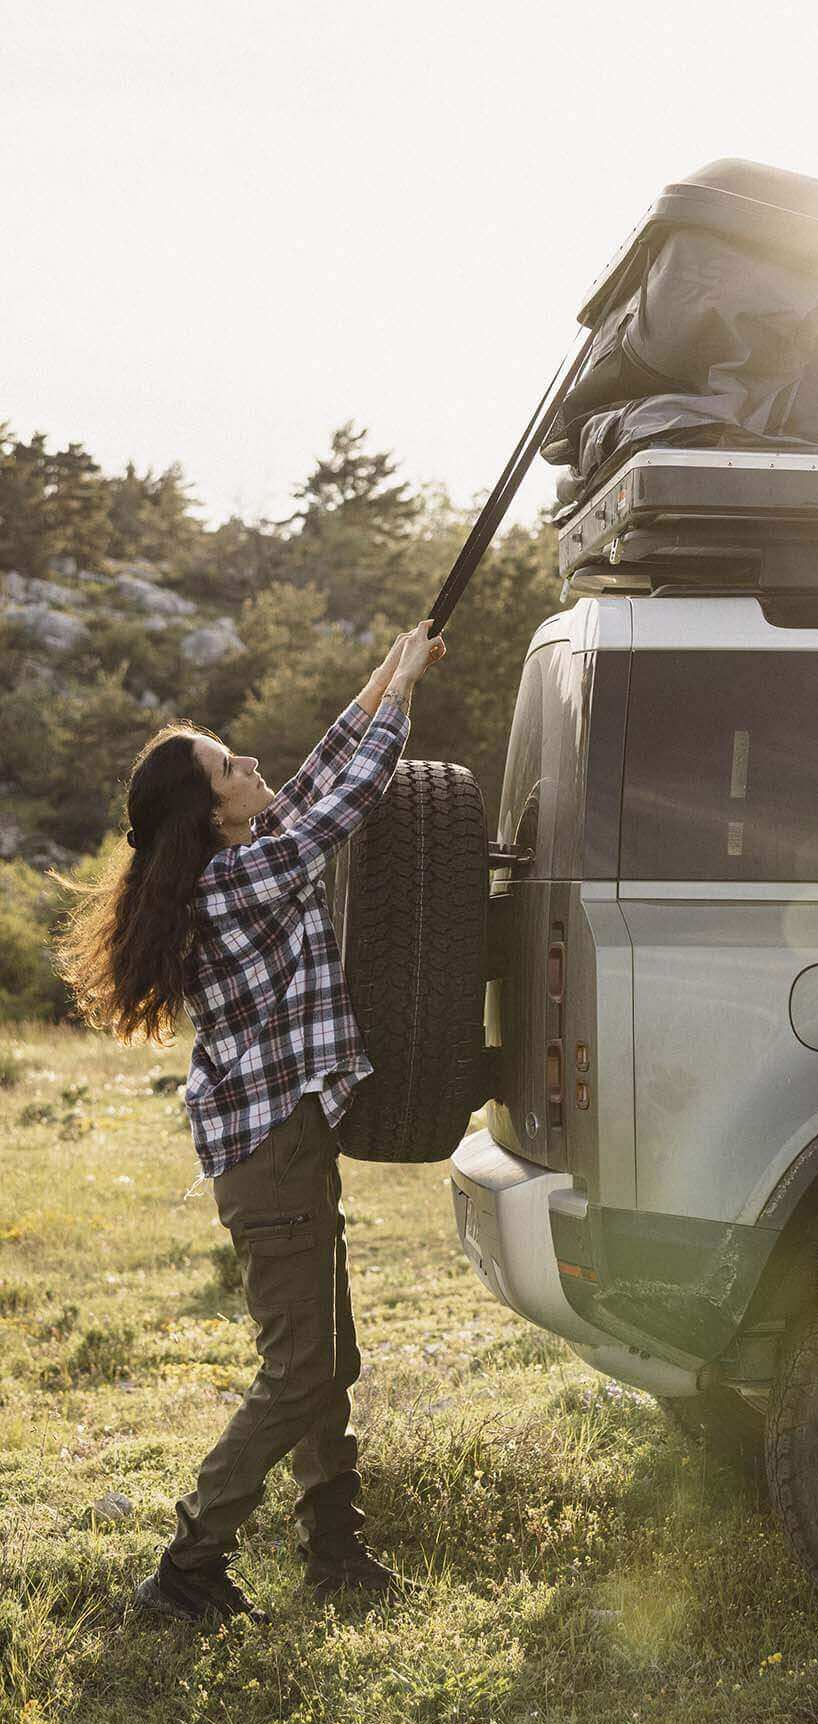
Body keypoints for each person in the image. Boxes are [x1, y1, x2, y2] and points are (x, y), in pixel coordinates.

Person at [54, 618, 447, 1625]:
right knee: (298, 1371)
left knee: (326, 1358)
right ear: (214, 812)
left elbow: (317, 770)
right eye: (232, 765)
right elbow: (347, 799)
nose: (254, 764)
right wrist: (400, 693)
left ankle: (334, 1551)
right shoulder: (237, 883)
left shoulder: (237, 855)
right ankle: (187, 1570)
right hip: (271, 1157)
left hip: (285, 1147)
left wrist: (386, 670)